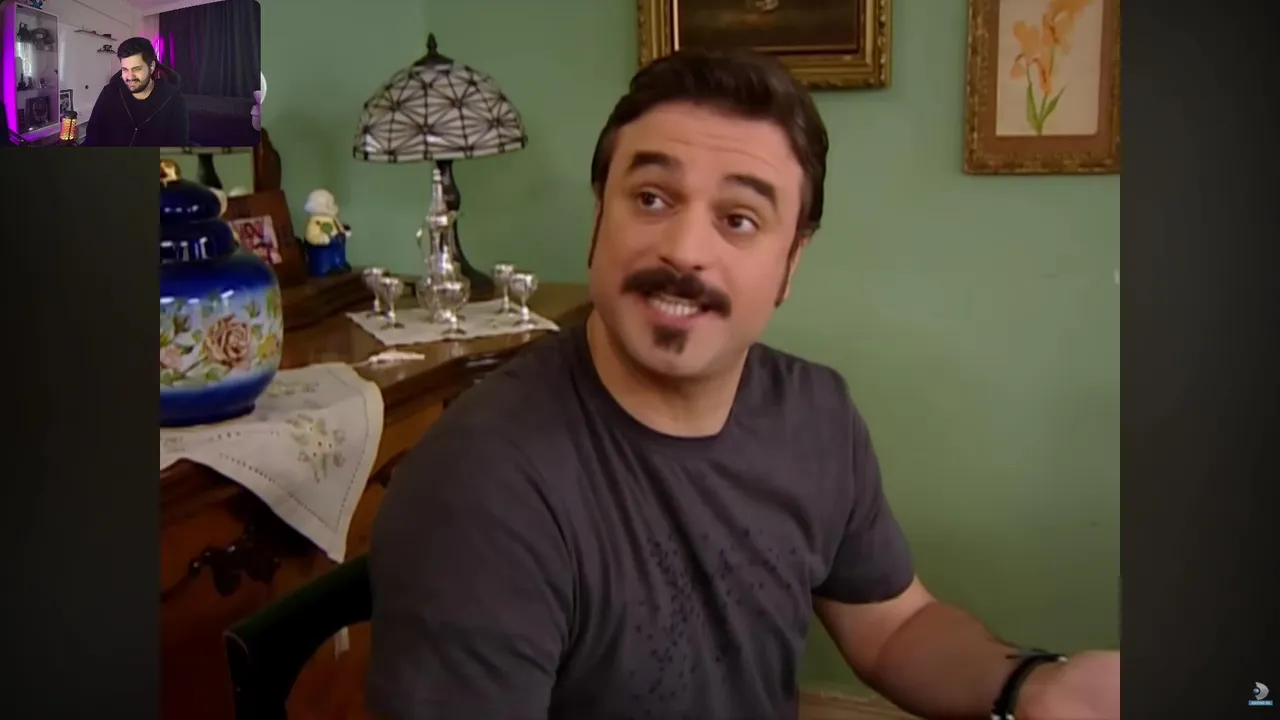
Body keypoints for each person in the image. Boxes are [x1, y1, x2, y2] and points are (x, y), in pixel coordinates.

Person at [368, 49, 1120, 720]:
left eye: (739, 218)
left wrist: (1032, 686)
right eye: (652, 198)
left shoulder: (816, 415)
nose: (684, 249)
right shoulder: (481, 485)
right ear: (599, 221)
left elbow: (895, 627)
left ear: (791, 263)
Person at [82, 37, 188, 147]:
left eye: (137, 69)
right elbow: (92, 137)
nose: (130, 77)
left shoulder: (173, 99)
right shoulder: (109, 93)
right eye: (125, 69)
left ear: (151, 67)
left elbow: (176, 148)